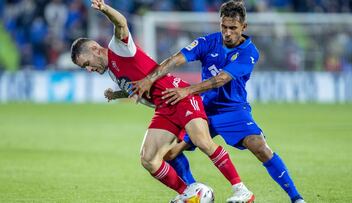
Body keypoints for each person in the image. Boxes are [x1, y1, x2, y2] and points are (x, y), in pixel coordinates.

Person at [70, 1, 255, 202]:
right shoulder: (113, 72)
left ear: (96, 49)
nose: (89, 69)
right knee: (148, 159)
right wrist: (116, 95)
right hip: (164, 108)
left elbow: (121, 22)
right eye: (84, 68)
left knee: (203, 142)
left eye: (87, 64)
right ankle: (191, 192)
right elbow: (137, 87)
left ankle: (241, 189)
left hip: (178, 95)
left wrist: (105, 9)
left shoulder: (118, 48)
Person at [130, 0, 306, 203]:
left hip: (233, 109)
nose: (228, 33)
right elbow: (175, 59)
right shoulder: (208, 42)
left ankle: (296, 198)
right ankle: (194, 193)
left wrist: (187, 91)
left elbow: (221, 79)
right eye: (224, 27)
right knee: (169, 153)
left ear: (244, 27)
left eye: (233, 28)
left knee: (259, 147)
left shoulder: (249, 52)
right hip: (203, 109)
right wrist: (149, 79)